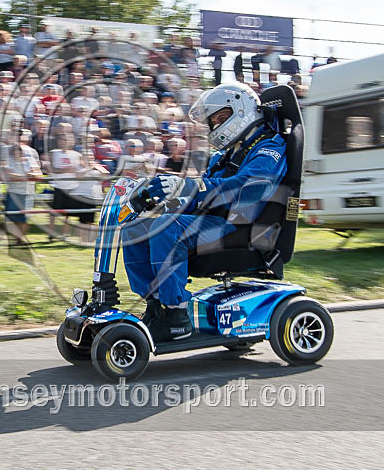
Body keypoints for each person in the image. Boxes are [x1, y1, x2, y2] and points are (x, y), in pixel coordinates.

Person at [121, 83, 288, 342]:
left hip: (244, 227)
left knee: (167, 228)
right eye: (214, 121)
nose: (217, 125)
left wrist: (191, 185)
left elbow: (249, 188)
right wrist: (165, 198)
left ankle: (176, 315)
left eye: (222, 118)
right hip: (215, 221)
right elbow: (200, 195)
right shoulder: (223, 156)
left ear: (241, 110)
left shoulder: (269, 148)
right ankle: (156, 307)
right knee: (134, 229)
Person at [0, 129, 42, 243]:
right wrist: (25, 176)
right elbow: (6, 173)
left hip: (27, 191)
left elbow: (38, 173)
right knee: (12, 216)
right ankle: (15, 237)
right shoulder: (6, 151)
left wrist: (26, 175)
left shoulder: (30, 153)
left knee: (24, 217)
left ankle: (20, 238)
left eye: (19, 135)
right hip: (13, 190)